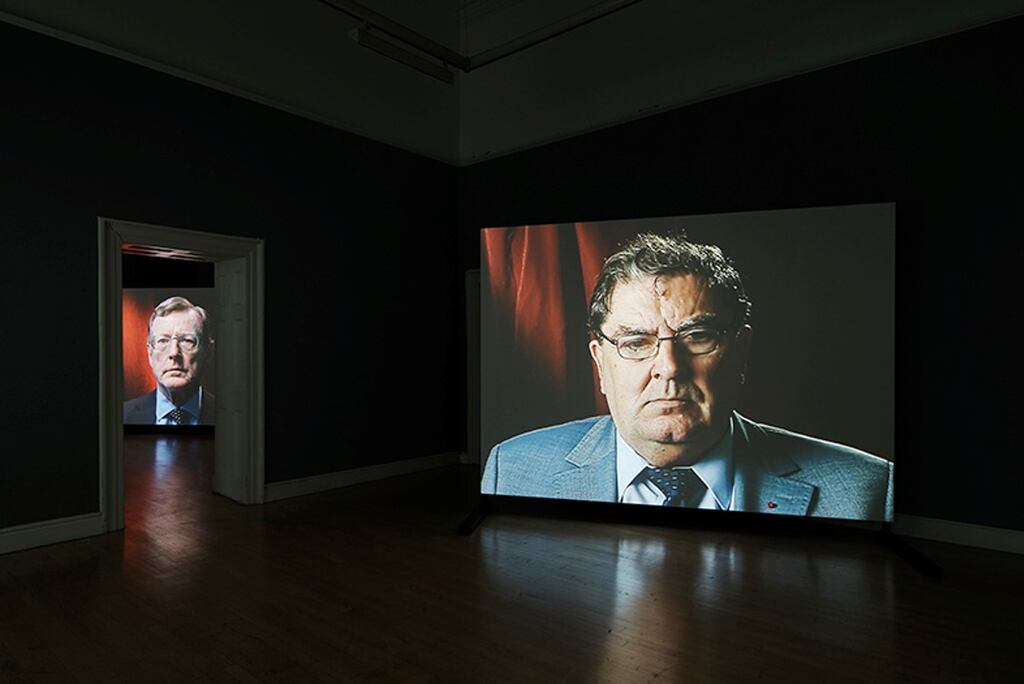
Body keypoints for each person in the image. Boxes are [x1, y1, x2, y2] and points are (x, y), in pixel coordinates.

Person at [481, 232, 893, 521]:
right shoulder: (512, 472)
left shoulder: (867, 490)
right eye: (636, 342)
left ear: (741, 352)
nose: (669, 366)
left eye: (697, 337)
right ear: (600, 364)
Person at [124, 296, 216, 425]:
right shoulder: (122, 416)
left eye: (187, 341)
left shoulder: (232, 416)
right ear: (150, 353)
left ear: (208, 352)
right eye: (163, 341)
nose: (174, 353)